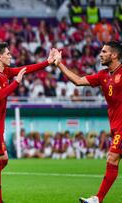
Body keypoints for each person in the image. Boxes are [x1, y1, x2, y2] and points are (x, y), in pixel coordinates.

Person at [0, 42, 57, 203]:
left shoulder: (4, 72)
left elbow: (26, 69)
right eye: (8, 53)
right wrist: (16, 82)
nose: (11, 56)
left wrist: (47, 62)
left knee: (2, 160)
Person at [54, 41, 122, 203]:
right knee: (113, 159)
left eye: (104, 52)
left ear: (114, 55)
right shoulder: (102, 75)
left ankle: (97, 199)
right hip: (115, 126)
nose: (100, 54)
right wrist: (59, 65)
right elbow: (78, 81)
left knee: (112, 158)